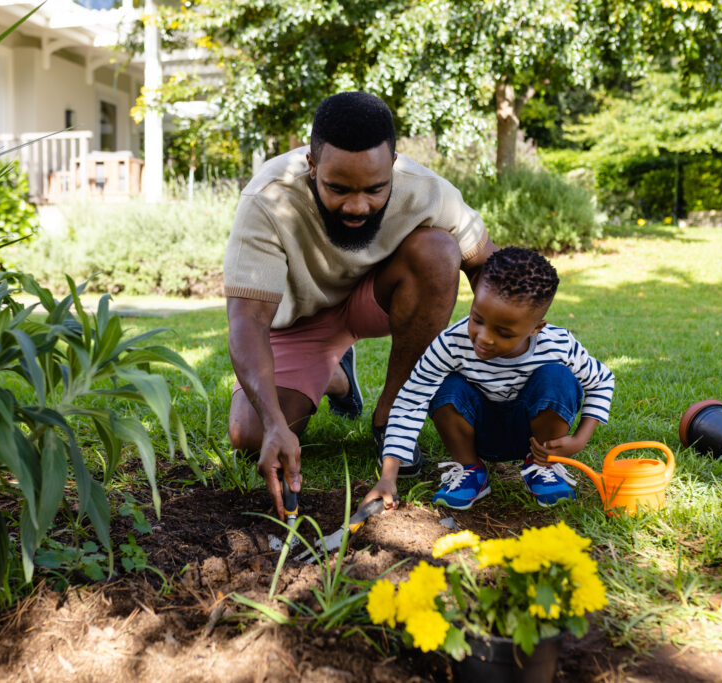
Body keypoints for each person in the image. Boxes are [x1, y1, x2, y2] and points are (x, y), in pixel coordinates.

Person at [224, 91, 496, 519]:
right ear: (312, 167)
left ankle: (391, 416)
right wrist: (275, 422)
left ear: (392, 166)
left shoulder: (427, 190)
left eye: (374, 189)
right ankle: (336, 377)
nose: (357, 206)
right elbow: (247, 321)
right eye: (337, 188)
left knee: (440, 251)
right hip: (299, 322)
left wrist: (509, 352)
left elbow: (490, 268)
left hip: (377, 299)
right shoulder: (269, 197)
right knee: (248, 434)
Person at [363, 246, 615, 511]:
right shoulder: (451, 343)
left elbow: (602, 381)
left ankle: (542, 467)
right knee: (444, 387)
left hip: (534, 437)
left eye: (504, 333)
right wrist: (388, 477)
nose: (483, 338)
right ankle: (471, 471)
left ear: (535, 328)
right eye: (477, 319)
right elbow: (411, 399)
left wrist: (580, 440)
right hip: (474, 433)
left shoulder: (558, 344)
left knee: (558, 378)